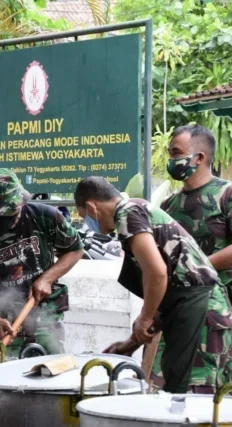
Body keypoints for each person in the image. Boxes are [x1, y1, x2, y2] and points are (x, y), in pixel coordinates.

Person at [74, 176, 232, 393]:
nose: (88, 224)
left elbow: (157, 274)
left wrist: (145, 317)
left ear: (92, 207)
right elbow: (164, 287)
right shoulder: (136, 211)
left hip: (201, 310)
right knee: (175, 389)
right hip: (191, 307)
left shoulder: (127, 213)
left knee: (193, 395)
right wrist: (132, 342)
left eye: (85, 217)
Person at [0, 169, 84, 357]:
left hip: (43, 313)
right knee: (0, 376)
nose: (6, 222)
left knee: (49, 367)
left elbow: (75, 249)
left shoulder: (46, 216)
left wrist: (47, 278)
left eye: (10, 215)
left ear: (20, 202)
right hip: (1, 318)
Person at [150, 124, 232, 390]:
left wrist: (196, 266)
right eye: (170, 153)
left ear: (199, 158)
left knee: (211, 391)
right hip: (178, 313)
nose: (172, 160)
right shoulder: (168, 206)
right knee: (170, 390)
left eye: (177, 153)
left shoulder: (226, 194)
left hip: (218, 313)